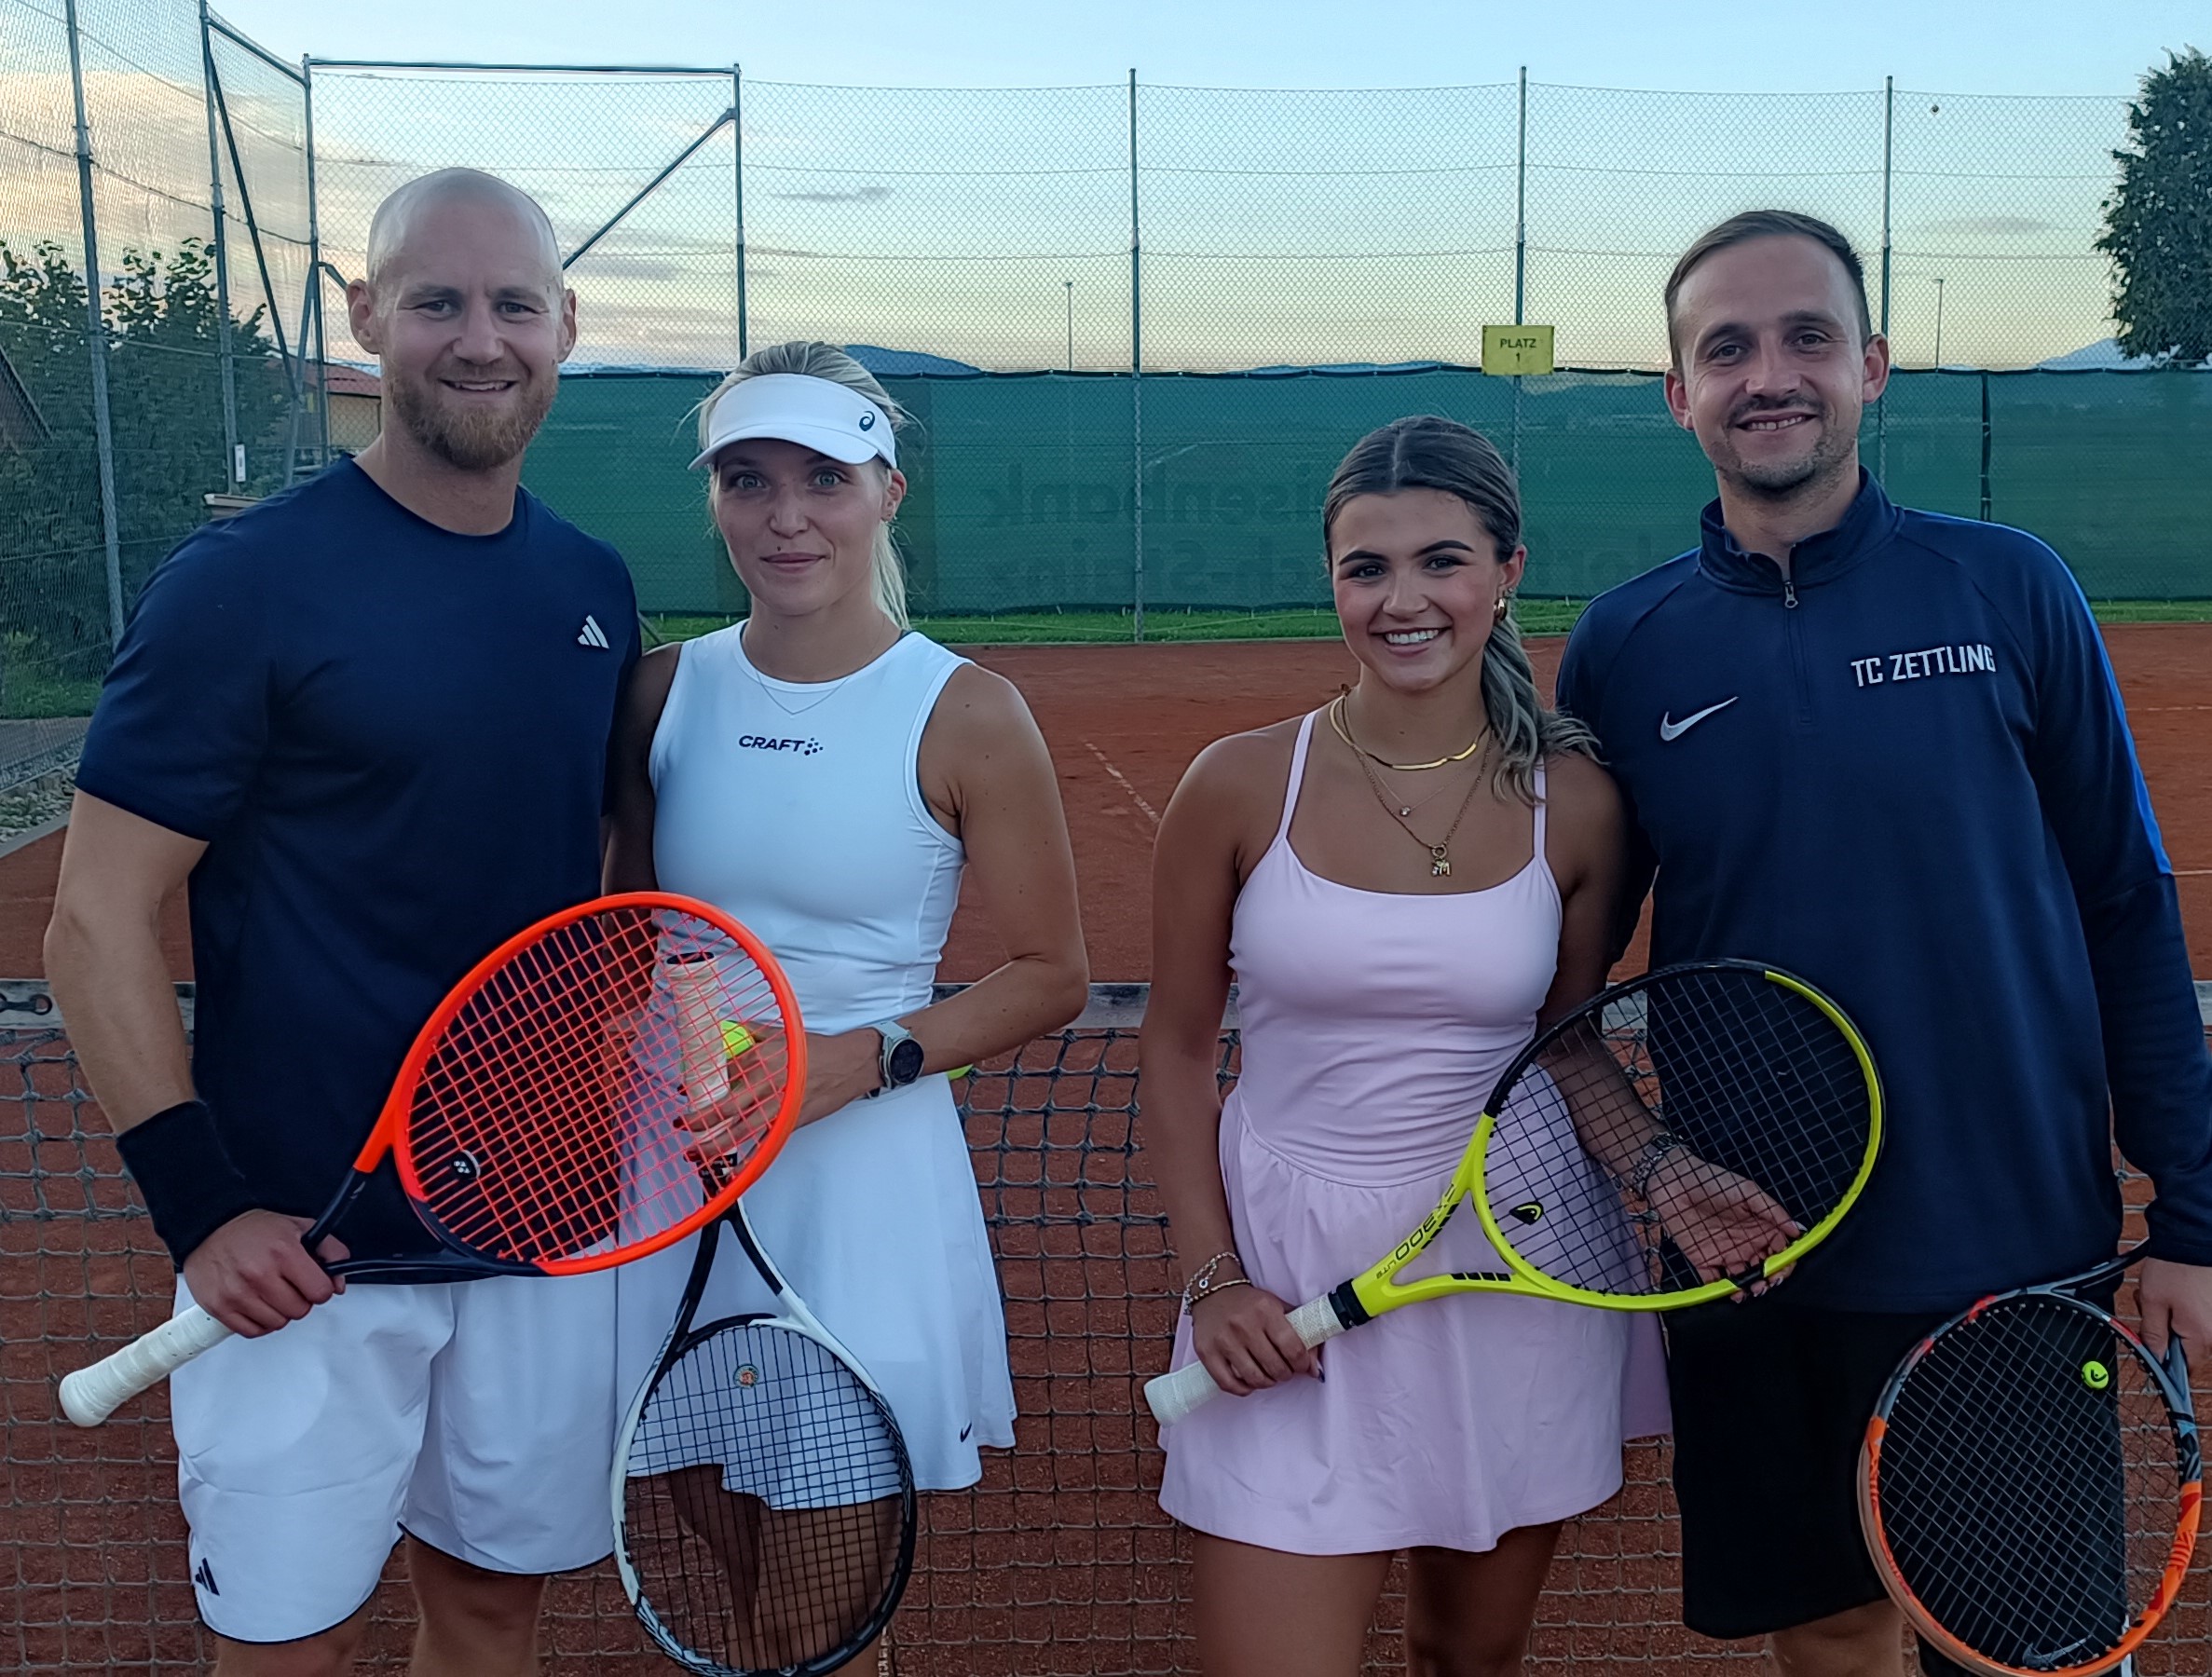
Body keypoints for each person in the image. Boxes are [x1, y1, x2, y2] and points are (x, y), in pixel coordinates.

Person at [1555, 209, 2212, 1677]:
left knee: (2024, 1658)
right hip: (1753, 1266)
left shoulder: (2008, 588)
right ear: (1677, 393)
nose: (1767, 374)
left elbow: (2122, 902)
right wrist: (1660, 1174)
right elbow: (1560, 996)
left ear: (1872, 366)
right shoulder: (1625, 647)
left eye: (1806, 337)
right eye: (1726, 348)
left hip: (2006, 1256)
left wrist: (2191, 1216)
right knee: (1829, 1639)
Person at [45, 170, 637, 1676]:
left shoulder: (591, 587)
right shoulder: (244, 585)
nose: (480, 340)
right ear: (366, 317)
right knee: (285, 1647)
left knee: (491, 1614)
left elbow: (589, 878)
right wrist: (202, 1209)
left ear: (566, 326)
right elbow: (95, 920)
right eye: (437, 302)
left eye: (514, 305)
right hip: (300, 1247)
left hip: (535, 1229)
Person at [1139, 415, 1671, 1677]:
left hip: (1513, 1261)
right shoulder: (1236, 783)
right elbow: (1174, 1049)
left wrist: (1663, 1174)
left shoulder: (1578, 805)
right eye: (1365, 568)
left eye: (1442, 561)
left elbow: (1566, 1046)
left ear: (1506, 573)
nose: (1403, 600)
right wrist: (1214, 1280)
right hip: (1282, 1273)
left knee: (1466, 1662)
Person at [602, 339, 1089, 1675]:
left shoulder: (968, 711)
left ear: (887, 492)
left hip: (864, 1182)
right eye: (748, 480)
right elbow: (629, 927)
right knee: (749, 1594)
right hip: (678, 1174)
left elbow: (1050, 972)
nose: (786, 516)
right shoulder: (660, 691)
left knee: (813, 1619)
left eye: (824, 478)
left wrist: (855, 1062)